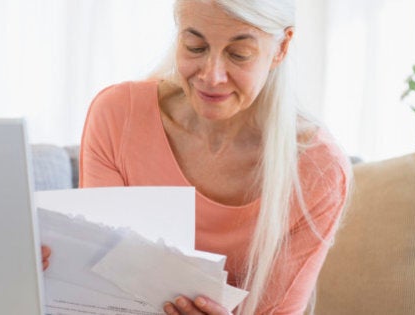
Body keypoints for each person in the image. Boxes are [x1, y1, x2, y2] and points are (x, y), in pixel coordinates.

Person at [44, 0, 351, 314]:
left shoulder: (319, 170)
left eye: (238, 54)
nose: (212, 75)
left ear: (282, 47)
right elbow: (89, 277)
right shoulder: (118, 116)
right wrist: (44, 270)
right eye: (195, 47)